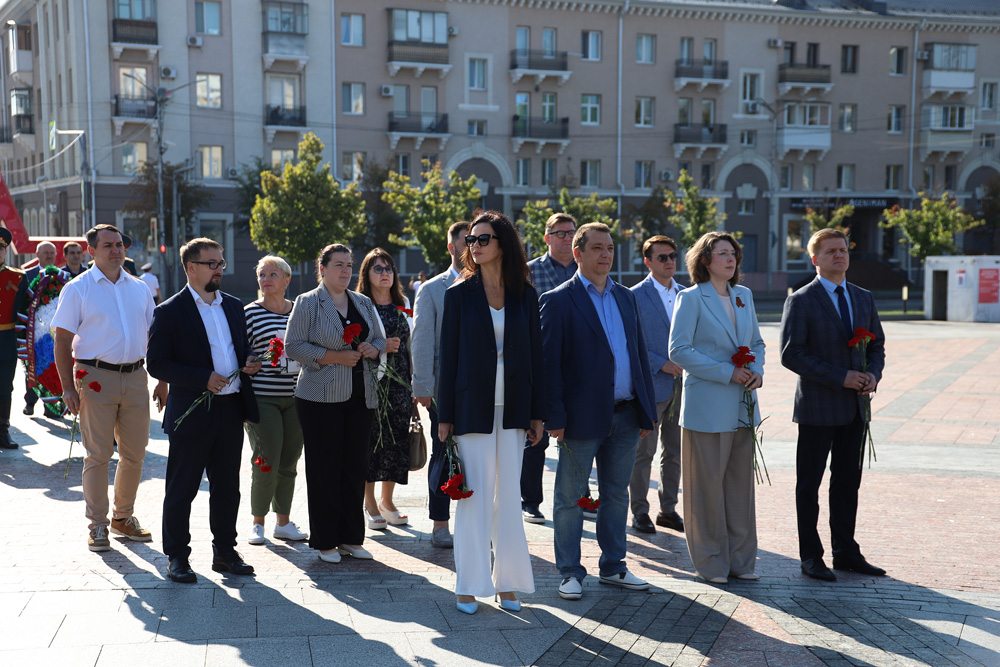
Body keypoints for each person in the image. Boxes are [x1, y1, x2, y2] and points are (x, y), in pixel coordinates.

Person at [540, 222, 657, 601]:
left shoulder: (626, 297)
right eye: (597, 248)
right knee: (570, 497)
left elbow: (638, 355)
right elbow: (549, 365)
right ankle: (570, 572)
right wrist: (555, 417)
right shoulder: (558, 300)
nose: (606, 254)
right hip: (579, 419)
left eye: (609, 248)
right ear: (578, 253)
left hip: (626, 415)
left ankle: (614, 566)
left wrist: (646, 411)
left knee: (616, 494)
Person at [437, 211, 545, 615]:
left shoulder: (525, 294)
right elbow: (448, 359)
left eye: (483, 239)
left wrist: (537, 413)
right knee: (475, 497)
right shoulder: (458, 295)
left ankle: (509, 583)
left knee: (510, 497)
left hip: (515, 408)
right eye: (471, 240)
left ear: (503, 244)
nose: (475, 246)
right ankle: (468, 585)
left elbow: (535, 357)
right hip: (471, 408)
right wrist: (445, 416)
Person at [147, 238, 262, 583]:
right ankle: (177, 557)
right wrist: (202, 378)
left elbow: (239, 349)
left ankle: (225, 552)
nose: (219, 269)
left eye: (221, 263)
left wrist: (250, 362)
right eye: (212, 263)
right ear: (191, 268)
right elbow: (157, 363)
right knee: (182, 488)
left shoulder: (234, 306)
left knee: (227, 487)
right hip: (192, 412)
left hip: (231, 409)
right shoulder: (169, 311)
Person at [780, 228, 887, 582]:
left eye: (843, 250)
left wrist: (872, 374)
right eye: (830, 251)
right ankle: (811, 556)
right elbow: (792, 354)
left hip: (856, 409)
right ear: (815, 259)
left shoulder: (863, 297)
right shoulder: (801, 300)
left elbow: (877, 345)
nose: (839, 255)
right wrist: (841, 377)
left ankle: (846, 552)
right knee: (808, 486)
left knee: (847, 483)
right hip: (818, 408)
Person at [51, 224, 164, 551]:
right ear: (91, 251)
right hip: (94, 377)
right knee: (98, 454)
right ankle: (98, 525)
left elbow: (155, 336)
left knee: (135, 453)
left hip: (136, 377)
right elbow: (62, 341)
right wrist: (68, 387)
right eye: (108, 245)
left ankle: (122, 517)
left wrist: (162, 380)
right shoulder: (78, 289)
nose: (116, 250)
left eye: (119, 245)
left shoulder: (139, 288)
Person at [668, 231, 765, 584]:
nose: (730, 258)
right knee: (705, 488)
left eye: (733, 252)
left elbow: (756, 342)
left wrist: (757, 371)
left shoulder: (744, 296)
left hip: (742, 405)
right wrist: (728, 372)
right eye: (722, 253)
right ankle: (710, 563)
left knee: (740, 487)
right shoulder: (691, 297)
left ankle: (741, 562)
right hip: (707, 407)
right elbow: (679, 350)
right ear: (705, 260)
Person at [285, 244, 385, 564]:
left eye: (349, 265)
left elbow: (379, 338)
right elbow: (293, 346)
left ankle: (351, 538)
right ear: (322, 268)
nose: (345, 271)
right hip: (320, 398)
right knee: (324, 469)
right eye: (338, 264)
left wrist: (373, 348)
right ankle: (326, 541)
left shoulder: (363, 302)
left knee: (354, 468)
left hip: (361, 396)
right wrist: (333, 357)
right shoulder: (308, 302)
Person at [411, 220, 470, 549]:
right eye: (466, 240)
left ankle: (472, 521)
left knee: (475, 456)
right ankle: (440, 523)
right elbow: (421, 340)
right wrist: (422, 385)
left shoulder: (489, 284)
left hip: (480, 388)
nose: (473, 246)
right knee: (444, 453)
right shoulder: (433, 289)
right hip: (442, 390)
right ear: (451, 247)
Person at [244, 255, 308, 546]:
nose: (266, 279)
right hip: (263, 398)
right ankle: (257, 523)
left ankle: (283, 522)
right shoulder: (249, 313)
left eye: (272, 274)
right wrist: (249, 360)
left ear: (286, 280)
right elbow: (239, 351)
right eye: (261, 274)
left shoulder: (301, 311)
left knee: (289, 461)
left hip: (298, 397)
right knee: (266, 458)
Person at [521, 212, 578, 525]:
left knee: (579, 437)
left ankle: (579, 497)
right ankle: (530, 501)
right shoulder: (530, 272)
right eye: (560, 233)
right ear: (547, 238)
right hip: (540, 366)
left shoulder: (585, 270)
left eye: (571, 233)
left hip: (578, 368)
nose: (567, 238)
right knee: (536, 439)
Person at [629, 235, 685, 534]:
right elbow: (630, 341)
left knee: (674, 452)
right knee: (644, 453)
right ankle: (639, 511)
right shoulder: (634, 296)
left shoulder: (688, 294)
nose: (669, 261)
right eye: (662, 257)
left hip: (684, 387)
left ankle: (668, 509)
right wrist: (659, 362)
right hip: (651, 386)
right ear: (648, 262)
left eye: (673, 255)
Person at [356, 248, 412, 530]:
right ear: (366, 274)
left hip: (400, 385)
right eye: (377, 268)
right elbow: (353, 345)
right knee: (370, 442)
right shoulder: (359, 306)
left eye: (388, 268)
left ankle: (387, 501)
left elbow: (412, 346)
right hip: (370, 384)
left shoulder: (403, 304)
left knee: (396, 442)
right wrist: (381, 347)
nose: (384, 273)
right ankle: (369, 503)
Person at [21, 241, 57, 417]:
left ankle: (50, 406)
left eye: (52, 253)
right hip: (32, 330)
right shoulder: (26, 275)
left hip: (53, 332)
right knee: (32, 367)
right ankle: (30, 401)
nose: (49, 256)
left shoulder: (60, 276)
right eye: (45, 253)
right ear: (37, 254)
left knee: (51, 367)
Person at [0, 228, 27, 450]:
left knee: (4, 388)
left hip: (6, 339)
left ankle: (3, 430)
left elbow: (27, 310)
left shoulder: (18, 277)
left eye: (0, 248)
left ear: (5, 251)